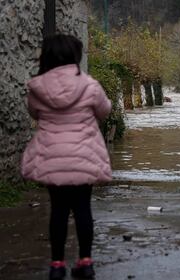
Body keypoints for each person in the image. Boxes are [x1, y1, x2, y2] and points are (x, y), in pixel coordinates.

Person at [21, 34, 112, 280]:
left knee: (58, 211)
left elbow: (35, 114)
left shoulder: (37, 88)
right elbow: (105, 111)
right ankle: (85, 262)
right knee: (83, 209)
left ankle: (57, 265)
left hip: (52, 156)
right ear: (74, 56)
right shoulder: (90, 85)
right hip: (84, 154)